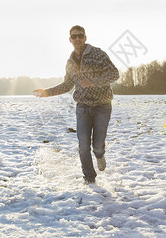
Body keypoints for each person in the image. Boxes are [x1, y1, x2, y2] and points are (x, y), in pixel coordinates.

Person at [33, 25, 119, 184]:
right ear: (70, 40)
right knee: (83, 144)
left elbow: (114, 73)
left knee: (97, 145)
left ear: (85, 38)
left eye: (80, 35)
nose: (77, 38)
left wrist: (93, 82)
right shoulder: (70, 62)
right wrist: (46, 92)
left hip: (102, 106)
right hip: (82, 107)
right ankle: (89, 179)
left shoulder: (98, 54)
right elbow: (67, 85)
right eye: (74, 36)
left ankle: (100, 154)